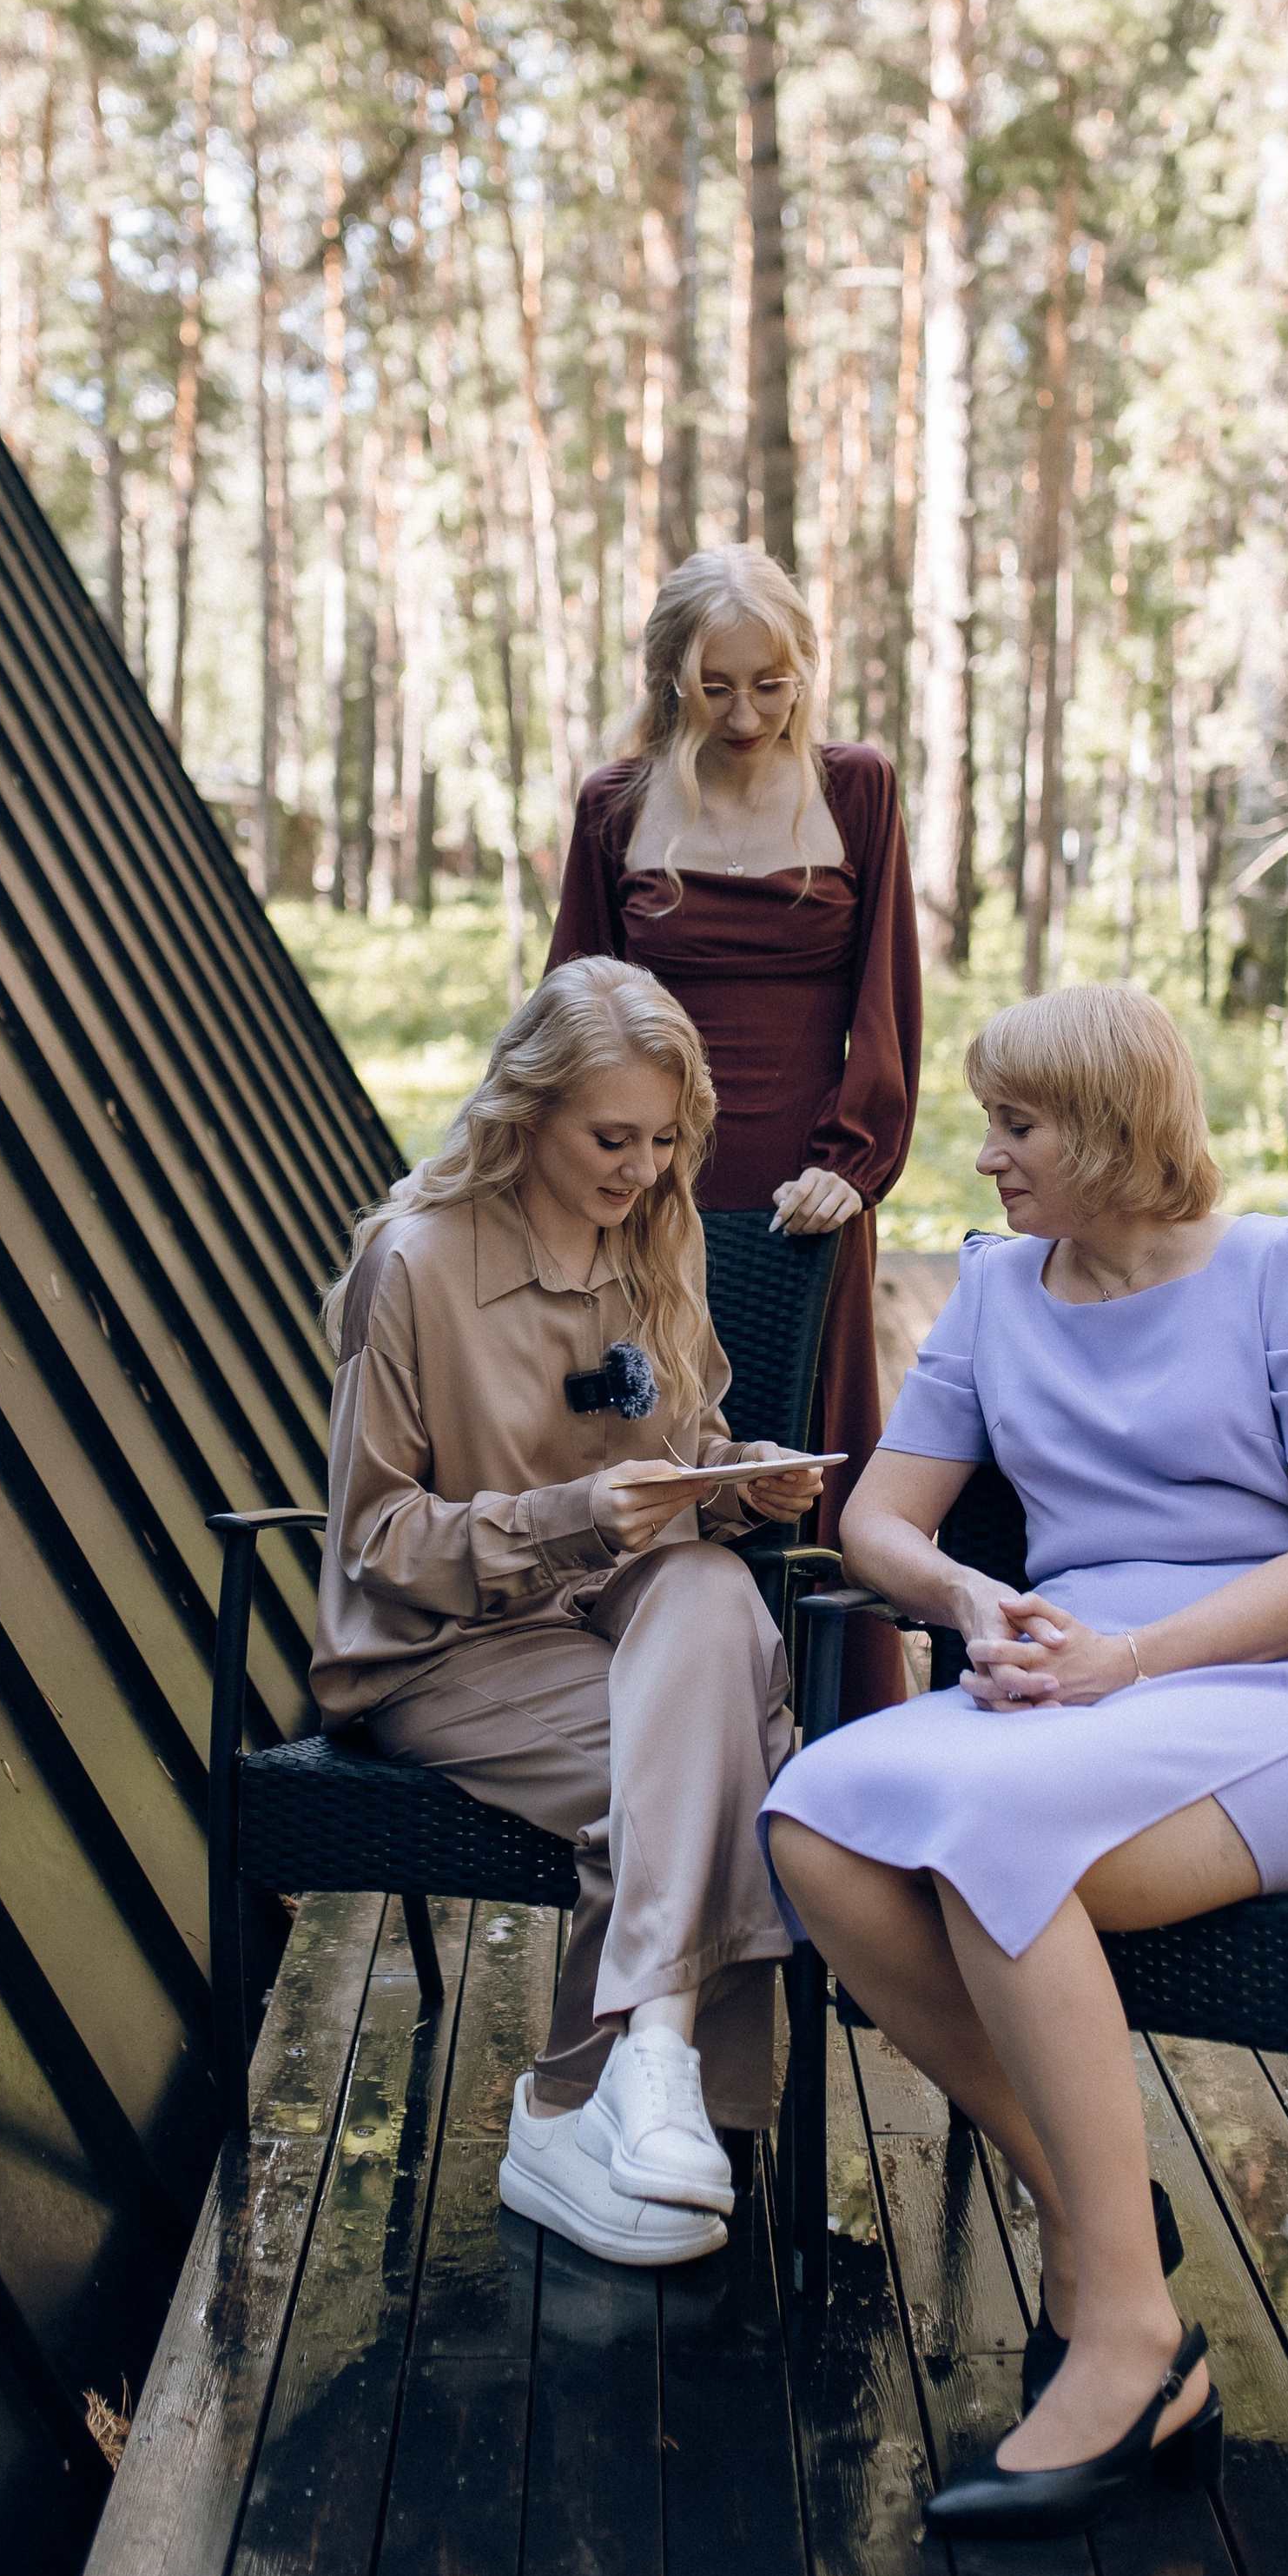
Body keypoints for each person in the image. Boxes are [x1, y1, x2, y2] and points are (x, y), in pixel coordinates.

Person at [761, 982, 1288, 2534]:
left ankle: (1128, 2336)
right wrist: (969, 1598)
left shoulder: (1287, 1272)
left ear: (1116, 1130)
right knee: (814, 1815)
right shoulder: (999, 1292)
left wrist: (1130, 1655)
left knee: (993, 1832)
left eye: (1018, 1125)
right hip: (1066, 1695)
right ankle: (1096, 2210)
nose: (986, 1156)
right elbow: (877, 1517)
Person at [312, 956, 826, 2268]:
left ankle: (632, 2072)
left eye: (665, 1139)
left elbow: (684, 1454)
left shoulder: (662, 1240)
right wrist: (571, 1516)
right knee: (725, 1769)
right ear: (526, 1108)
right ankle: (589, 2102)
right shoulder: (413, 1264)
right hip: (447, 1648)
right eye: (613, 1138)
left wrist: (743, 1483)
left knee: (710, 1583)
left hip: (633, 1613)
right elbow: (373, 1540)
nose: (644, 1170)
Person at [549, 546, 921, 1719]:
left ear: (806, 668)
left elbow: (888, 999)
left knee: (807, 1463)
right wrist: (592, 1170)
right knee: (653, 1450)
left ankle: (841, 1752)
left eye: (772, 684)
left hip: (806, 1193)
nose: (749, 714)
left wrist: (852, 1164)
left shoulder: (857, 788)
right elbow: (573, 1008)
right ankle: (668, 1728)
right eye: (717, 687)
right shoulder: (616, 803)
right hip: (642, 1187)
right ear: (671, 676)